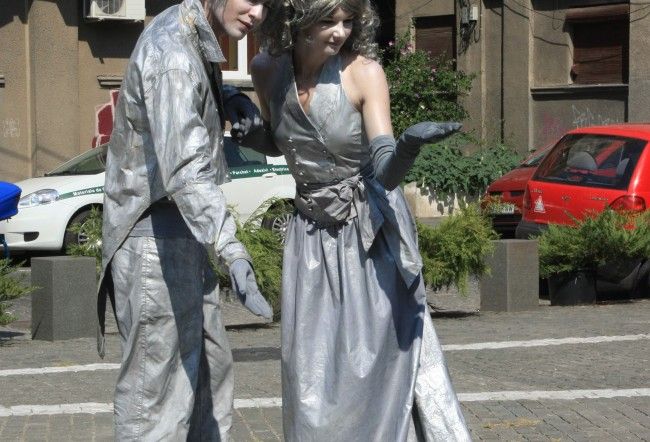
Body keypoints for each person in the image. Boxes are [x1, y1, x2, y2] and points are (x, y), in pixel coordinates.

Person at [241, 0, 472, 440]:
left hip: (365, 237)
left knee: (374, 366)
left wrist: (406, 147)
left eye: (348, 20)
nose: (341, 31)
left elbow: (384, 168)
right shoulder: (266, 69)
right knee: (310, 374)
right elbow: (280, 139)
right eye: (329, 20)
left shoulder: (364, 73)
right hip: (309, 238)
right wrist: (248, 132)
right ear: (297, 19)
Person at [96, 0, 275, 439]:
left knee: (210, 381)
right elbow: (186, 169)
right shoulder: (173, 53)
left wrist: (229, 98)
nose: (257, 13)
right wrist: (232, 249)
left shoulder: (196, 36)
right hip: (153, 243)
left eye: (266, 3)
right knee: (155, 405)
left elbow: (187, 102)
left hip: (185, 237)